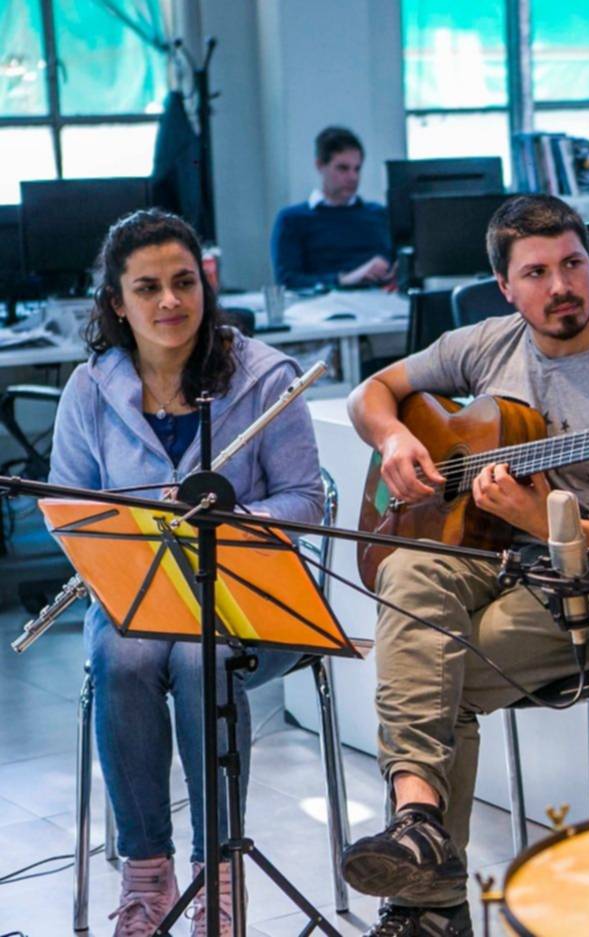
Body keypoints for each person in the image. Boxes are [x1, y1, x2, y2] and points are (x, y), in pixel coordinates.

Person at [340, 195, 589, 936]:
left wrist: (541, 519)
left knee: (440, 673)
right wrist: (396, 439)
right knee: (408, 568)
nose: (561, 286)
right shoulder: (490, 343)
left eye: (573, 264)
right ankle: (420, 830)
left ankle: (428, 902)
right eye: (537, 272)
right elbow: (371, 393)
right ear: (505, 286)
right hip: (493, 559)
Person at [49, 209, 323, 936]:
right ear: (117, 303)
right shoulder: (89, 389)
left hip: (249, 598)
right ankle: (147, 877)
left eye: (184, 282)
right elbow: (69, 511)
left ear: (206, 286)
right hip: (139, 597)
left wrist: (224, 518)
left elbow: (307, 500)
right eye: (148, 288)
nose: (171, 301)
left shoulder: (265, 378)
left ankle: (218, 875)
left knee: (204, 661)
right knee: (122, 655)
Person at [270, 126, 393, 289]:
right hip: (323, 302)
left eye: (357, 169)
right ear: (320, 165)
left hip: (381, 299)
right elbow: (287, 280)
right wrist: (343, 280)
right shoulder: (292, 219)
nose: (353, 177)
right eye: (343, 168)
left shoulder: (378, 214)